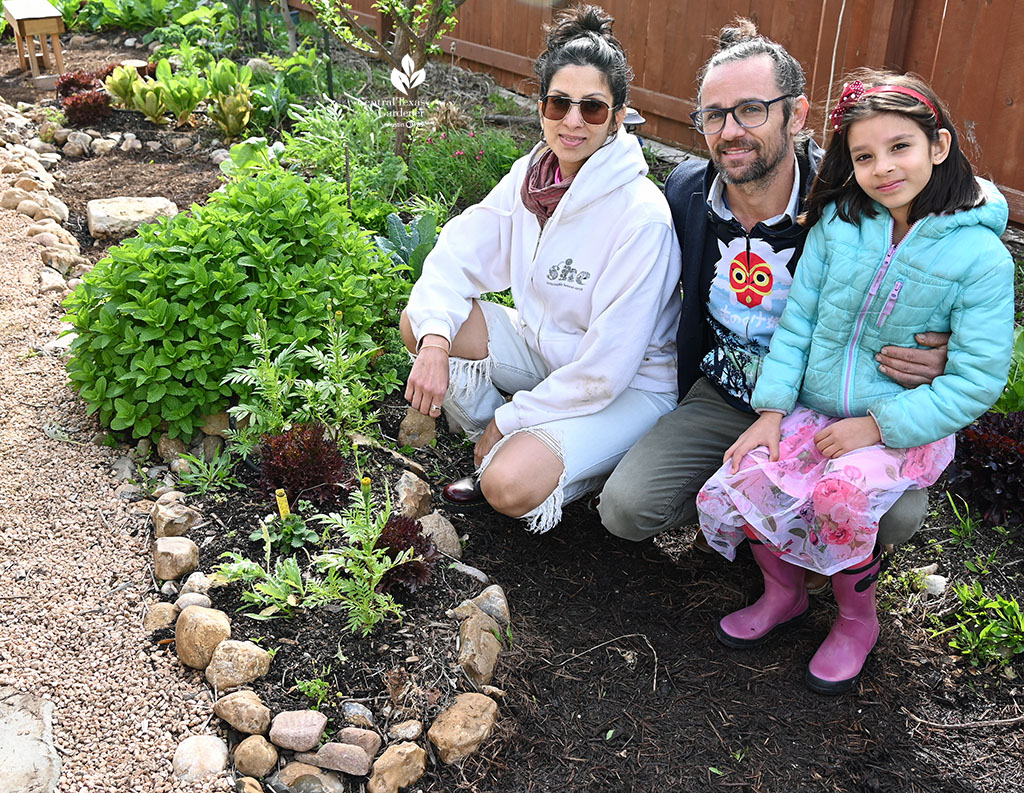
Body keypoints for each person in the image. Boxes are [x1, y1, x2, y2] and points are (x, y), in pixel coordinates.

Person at [696, 69, 1014, 694]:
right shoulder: (840, 228)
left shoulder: (980, 257)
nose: (883, 168)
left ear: (940, 147)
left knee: (839, 497)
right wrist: (771, 411)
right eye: (865, 155)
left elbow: (978, 379)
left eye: (901, 148)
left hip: (900, 426)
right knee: (745, 474)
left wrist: (877, 425)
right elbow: (798, 324)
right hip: (818, 413)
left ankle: (854, 620)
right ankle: (783, 593)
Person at [598, 20, 950, 562]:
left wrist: (938, 349)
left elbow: (927, 283)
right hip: (725, 392)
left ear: (798, 115)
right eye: (714, 115)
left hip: (825, 405)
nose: (731, 130)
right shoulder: (686, 193)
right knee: (626, 508)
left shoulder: (852, 207)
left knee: (895, 514)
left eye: (751, 109)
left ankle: (794, 533)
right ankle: (747, 512)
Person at [400, 4, 681, 534]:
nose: (573, 121)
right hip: (547, 353)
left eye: (593, 109)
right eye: (560, 103)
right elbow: (458, 253)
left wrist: (512, 416)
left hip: (627, 387)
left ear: (619, 117)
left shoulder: (641, 216)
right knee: (423, 322)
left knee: (507, 488)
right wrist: (437, 344)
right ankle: (498, 437)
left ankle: (563, 459)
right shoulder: (531, 176)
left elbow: (605, 371)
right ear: (542, 107)